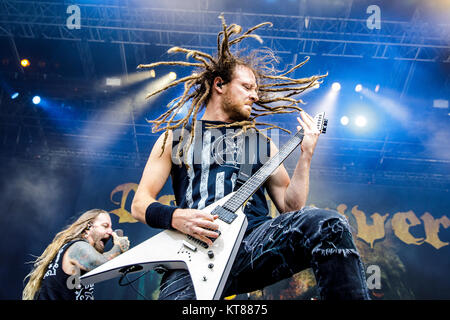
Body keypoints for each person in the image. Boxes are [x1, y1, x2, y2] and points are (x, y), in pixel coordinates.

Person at [131, 16, 370, 300]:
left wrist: (305, 155)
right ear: (219, 84)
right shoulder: (176, 137)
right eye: (247, 87)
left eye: (257, 90)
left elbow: (291, 208)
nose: (255, 96)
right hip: (190, 256)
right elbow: (139, 203)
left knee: (329, 226)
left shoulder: (262, 143)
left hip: (251, 245)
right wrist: (176, 218)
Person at [22, 209, 130, 300]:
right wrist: (118, 247)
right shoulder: (78, 247)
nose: (111, 232)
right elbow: (101, 263)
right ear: (88, 227)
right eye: (105, 226)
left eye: (111, 227)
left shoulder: (82, 255)